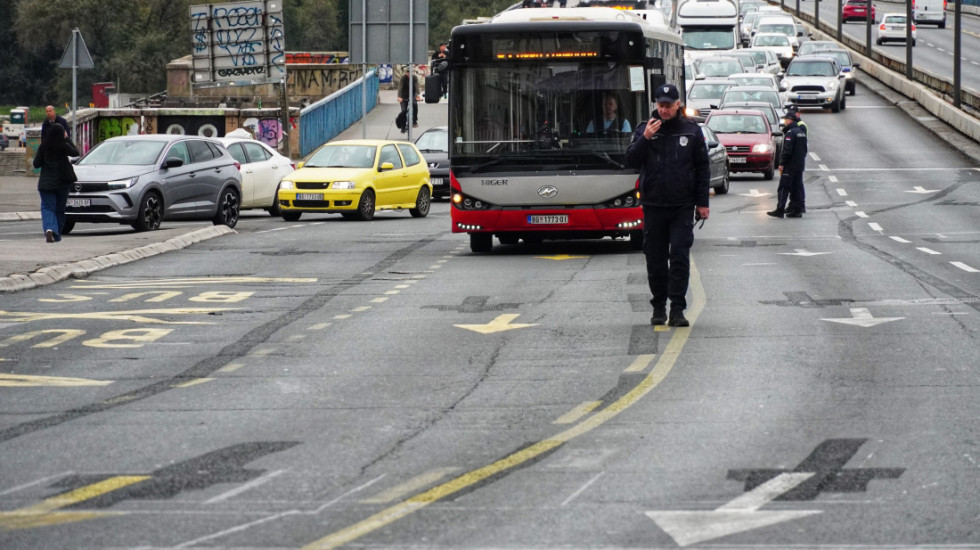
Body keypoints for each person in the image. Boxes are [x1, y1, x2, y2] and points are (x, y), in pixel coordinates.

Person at [626, 83, 710, 327]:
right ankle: (659, 306)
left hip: (682, 206)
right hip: (653, 206)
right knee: (655, 259)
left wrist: (702, 203)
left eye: (668, 106)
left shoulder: (691, 131)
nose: (663, 110)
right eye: (660, 105)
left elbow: (702, 168)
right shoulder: (645, 129)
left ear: (677, 105)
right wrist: (646, 138)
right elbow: (630, 160)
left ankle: (677, 308)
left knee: (680, 256)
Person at [33, 124, 79, 243]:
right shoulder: (63, 145)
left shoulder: (44, 146)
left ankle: (49, 228)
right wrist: (67, 138)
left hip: (46, 184)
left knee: (48, 207)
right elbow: (75, 152)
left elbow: (36, 164)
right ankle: (57, 235)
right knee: (59, 209)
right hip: (63, 183)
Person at [767, 105, 808, 219]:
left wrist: (782, 163)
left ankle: (780, 209)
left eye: (786, 119)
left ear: (790, 120)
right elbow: (804, 149)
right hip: (799, 165)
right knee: (796, 187)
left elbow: (787, 151)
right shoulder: (801, 131)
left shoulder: (791, 133)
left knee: (784, 187)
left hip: (790, 166)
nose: (784, 121)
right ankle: (797, 209)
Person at [398, 68, 421, 132]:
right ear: (406, 72)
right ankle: (403, 127)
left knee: (414, 104)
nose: (409, 74)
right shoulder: (403, 78)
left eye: (410, 72)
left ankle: (414, 121)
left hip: (412, 94)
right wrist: (399, 96)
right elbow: (400, 87)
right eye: (407, 72)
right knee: (404, 110)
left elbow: (416, 86)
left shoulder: (414, 78)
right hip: (403, 95)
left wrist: (418, 95)